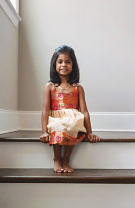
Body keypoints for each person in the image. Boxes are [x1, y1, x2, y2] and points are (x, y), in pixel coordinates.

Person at [39, 45, 101, 173]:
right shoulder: (50, 87)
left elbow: (84, 111)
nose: (64, 65)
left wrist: (90, 132)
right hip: (55, 119)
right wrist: (44, 131)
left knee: (73, 125)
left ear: (73, 65)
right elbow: (45, 110)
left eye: (68, 62)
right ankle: (57, 158)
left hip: (73, 119)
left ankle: (66, 159)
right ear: (54, 64)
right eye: (60, 61)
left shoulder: (77, 88)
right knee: (58, 126)